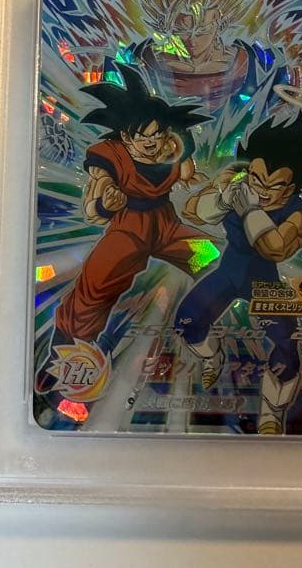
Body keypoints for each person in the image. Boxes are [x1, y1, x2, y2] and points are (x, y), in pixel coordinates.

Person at [37, 63, 212, 397]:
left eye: (159, 136)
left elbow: (186, 170)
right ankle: (62, 355)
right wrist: (106, 202)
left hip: (166, 225)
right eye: (145, 137)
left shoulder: (173, 151)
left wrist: (194, 180)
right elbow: (95, 203)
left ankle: (220, 328)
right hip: (128, 229)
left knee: (213, 258)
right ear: (127, 136)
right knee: (94, 286)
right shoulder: (111, 156)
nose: (154, 144)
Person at [177, 113, 302, 434]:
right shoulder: (238, 185)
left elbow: (275, 249)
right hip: (228, 274)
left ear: (292, 185)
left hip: (265, 285)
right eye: (256, 178)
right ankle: (213, 357)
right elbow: (190, 212)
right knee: (186, 323)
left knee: (286, 351)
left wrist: (250, 210)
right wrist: (219, 195)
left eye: (274, 184)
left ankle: (271, 414)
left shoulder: (301, 215)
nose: (263, 189)